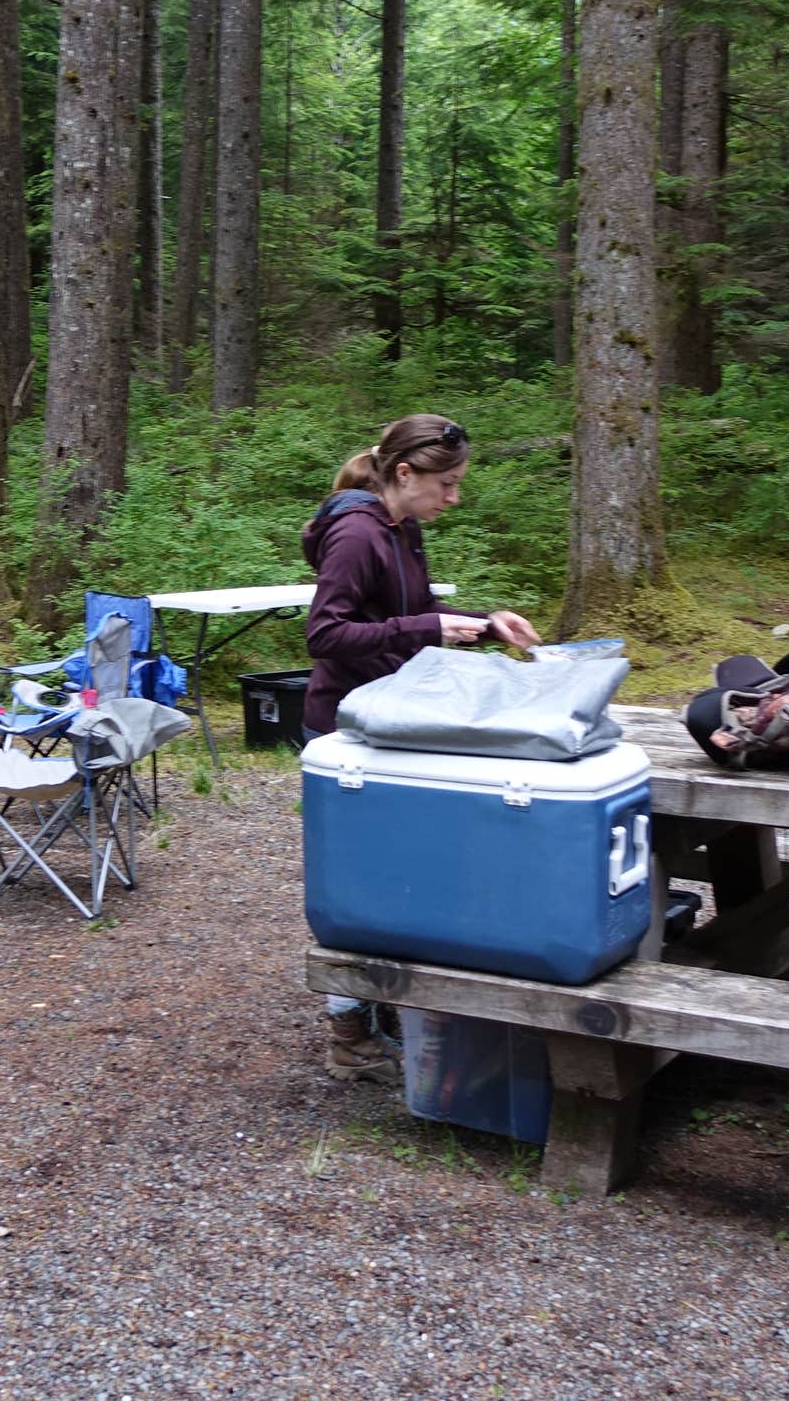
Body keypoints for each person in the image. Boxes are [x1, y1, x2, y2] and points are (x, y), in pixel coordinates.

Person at [301, 414, 541, 1081]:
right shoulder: (357, 534)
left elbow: (408, 616)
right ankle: (349, 1036)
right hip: (346, 732)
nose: (453, 498)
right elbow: (325, 635)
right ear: (404, 473)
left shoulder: (400, 527)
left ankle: (381, 1006)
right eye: (447, 484)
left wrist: (488, 625)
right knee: (360, 883)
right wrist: (429, 626)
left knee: (400, 874)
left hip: (391, 722)